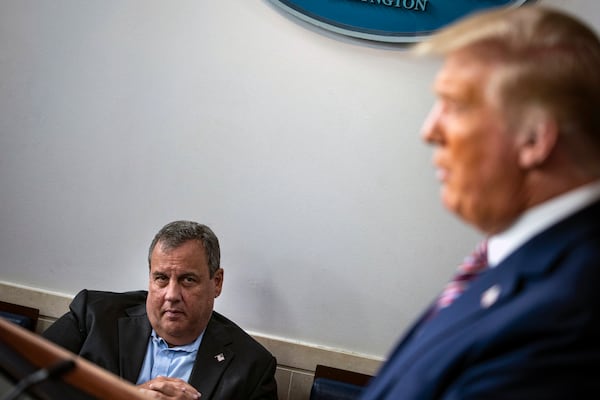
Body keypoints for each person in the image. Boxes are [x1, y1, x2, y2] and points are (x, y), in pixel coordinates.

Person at [361, 5, 600, 400]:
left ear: (534, 140)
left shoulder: (569, 315)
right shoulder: (520, 264)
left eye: (454, 105)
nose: (429, 131)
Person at [43, 220, 278, 400]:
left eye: (187, 280)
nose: (172, 295)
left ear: (216, 282)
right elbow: (22, 385)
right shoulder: (92, 317)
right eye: (161, 278)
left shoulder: (252, 368)